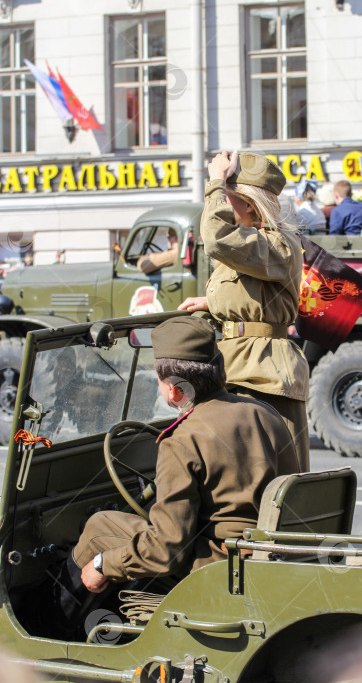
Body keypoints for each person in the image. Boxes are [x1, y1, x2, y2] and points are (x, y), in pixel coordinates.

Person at [56, 317, 299, 625]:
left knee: (99, 527)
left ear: (173, 391)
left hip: (217, 569)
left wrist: (103, 565)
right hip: (265, 556)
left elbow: (165, 550)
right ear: (220, 368)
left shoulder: (182, 440)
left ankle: (50, 631)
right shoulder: (264, 413)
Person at [178, 151, 310, 472]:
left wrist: (215, 184)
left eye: (229, 197)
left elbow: (216, 239)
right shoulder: (255, 242)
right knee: (235, 476)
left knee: (271, 479)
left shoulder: (275, 243)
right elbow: (259, 295)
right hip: (239, 366)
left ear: (249, 204)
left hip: (263, 373)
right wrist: (213, 303)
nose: (223, 201)